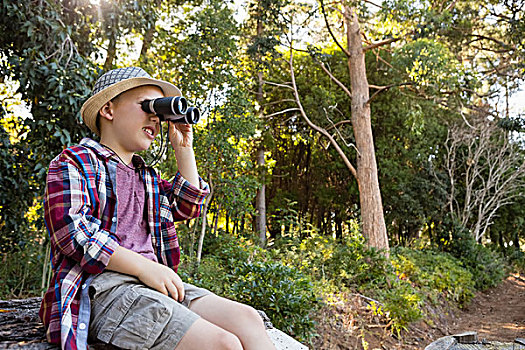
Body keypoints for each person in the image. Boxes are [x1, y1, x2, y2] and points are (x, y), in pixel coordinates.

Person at [39, 66, 276, 350]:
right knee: (223, 344)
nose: (155, 116)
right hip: (102, 289)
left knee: (248, 319)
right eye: (146, 106)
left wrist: (183, 148)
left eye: (159, 111)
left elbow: (188, 205)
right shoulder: (74, 162)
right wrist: (143, 267)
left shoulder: (147, 178)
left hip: (152, 284)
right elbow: (72, 232)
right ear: (108, 110)